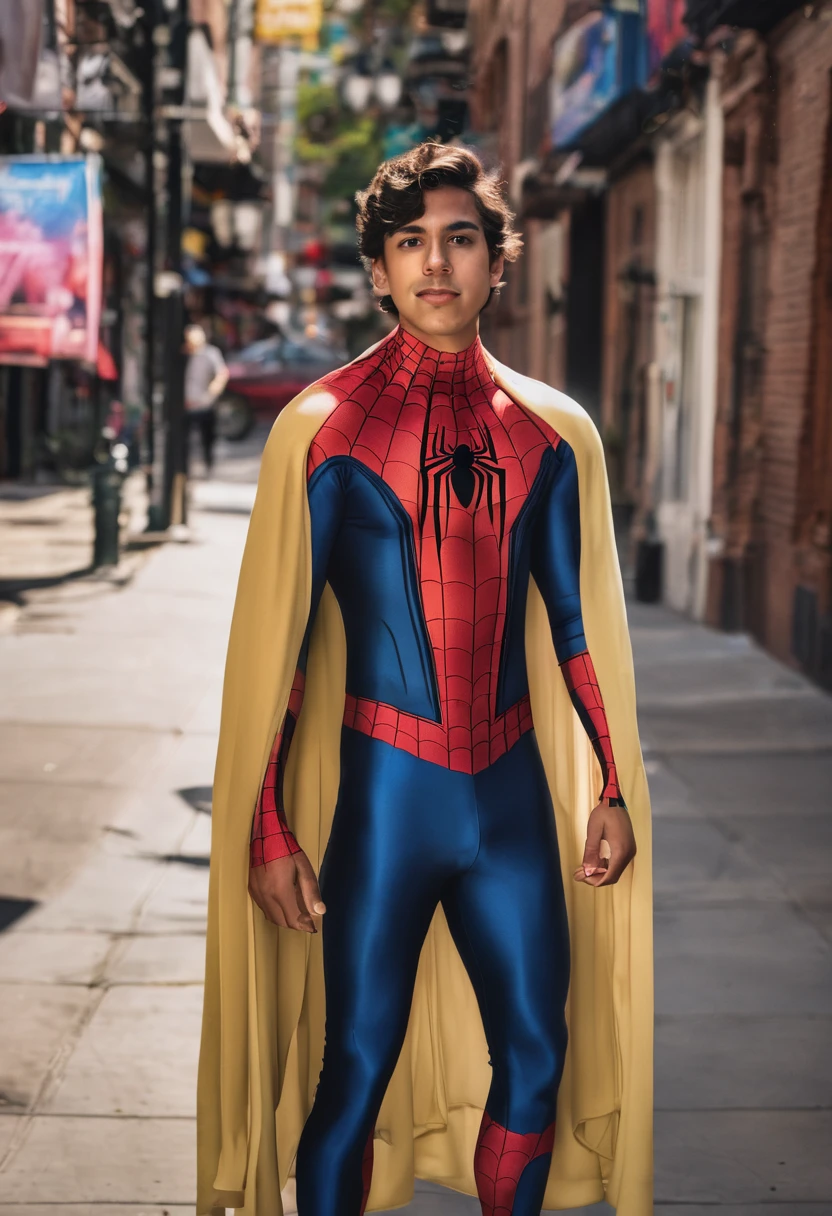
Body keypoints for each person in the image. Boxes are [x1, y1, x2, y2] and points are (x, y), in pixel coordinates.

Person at [197, 143, 653, 1216]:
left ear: (499, 261)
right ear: (378, 269)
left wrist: (616, 786)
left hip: (508, 798)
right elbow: (284, 653)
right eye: (410, 243)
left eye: (459, 239)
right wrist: (265, 827)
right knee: (351, 1068)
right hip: (383, 799)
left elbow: (579, 624)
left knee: (540, 1054)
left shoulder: (553, 432)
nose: (435, 263)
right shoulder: (320, 428)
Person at [184, 323, 228, 475]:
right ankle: (186, 470)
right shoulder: (184, 355)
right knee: (185, 441)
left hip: (204, 403)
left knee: (207, 438)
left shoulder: (210, 353)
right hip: (187, 403)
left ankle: (208, 465)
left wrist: (211, 394)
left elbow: (222, 373)